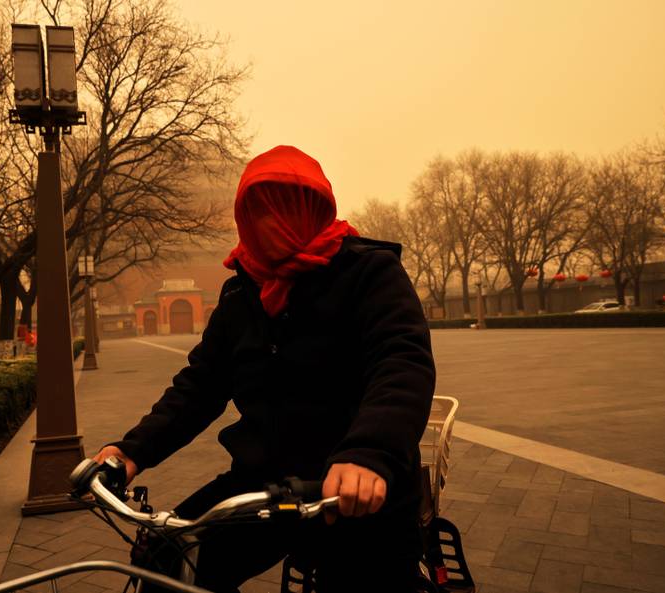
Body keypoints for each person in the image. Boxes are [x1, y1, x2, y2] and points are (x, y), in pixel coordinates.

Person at [94, 145, 435, 592]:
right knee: (168, 560)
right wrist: (131, 451)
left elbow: (401, 361)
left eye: (284, 206)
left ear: (313, 208)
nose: (269, 222)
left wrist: (369, 454)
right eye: (256, 211)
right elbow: (199, 387)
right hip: (264, 483)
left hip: (355, 488)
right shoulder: (240, 294)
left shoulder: (369, 273)